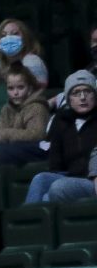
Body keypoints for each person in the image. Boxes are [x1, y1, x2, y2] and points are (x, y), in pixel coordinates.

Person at [26, 71, 97, 204]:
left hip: (91, 179)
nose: (82, 97)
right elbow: (55, 162)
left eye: (87, 91)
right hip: (69, 176)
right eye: (76, 93)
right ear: (69, 98)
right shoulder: (61, 120)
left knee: (56, 189)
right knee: (40, 179)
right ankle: (26, 216)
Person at [0, 64, 50, 167]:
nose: (15, 93)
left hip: (37, 150)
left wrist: (7, 134)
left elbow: (37, 135)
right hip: (13, 150)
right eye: (11, 88)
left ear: (30, 88)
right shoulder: (6, 109)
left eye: (20, 87)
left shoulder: (37, 107)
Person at [0, 17, 50, 89]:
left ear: (25, 38)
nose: (9, 38)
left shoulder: (33, 62)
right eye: (3, 35)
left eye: (15, 34)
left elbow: (40, 90)